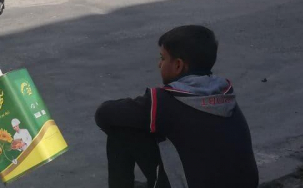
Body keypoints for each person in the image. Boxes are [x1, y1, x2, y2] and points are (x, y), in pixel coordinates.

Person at [95, 25, 258, 188]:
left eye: (163, 58)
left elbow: (103, 114)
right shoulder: (224, 93)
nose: (159, 64)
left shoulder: (164, 101)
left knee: (121, 129)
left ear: (178, 65)